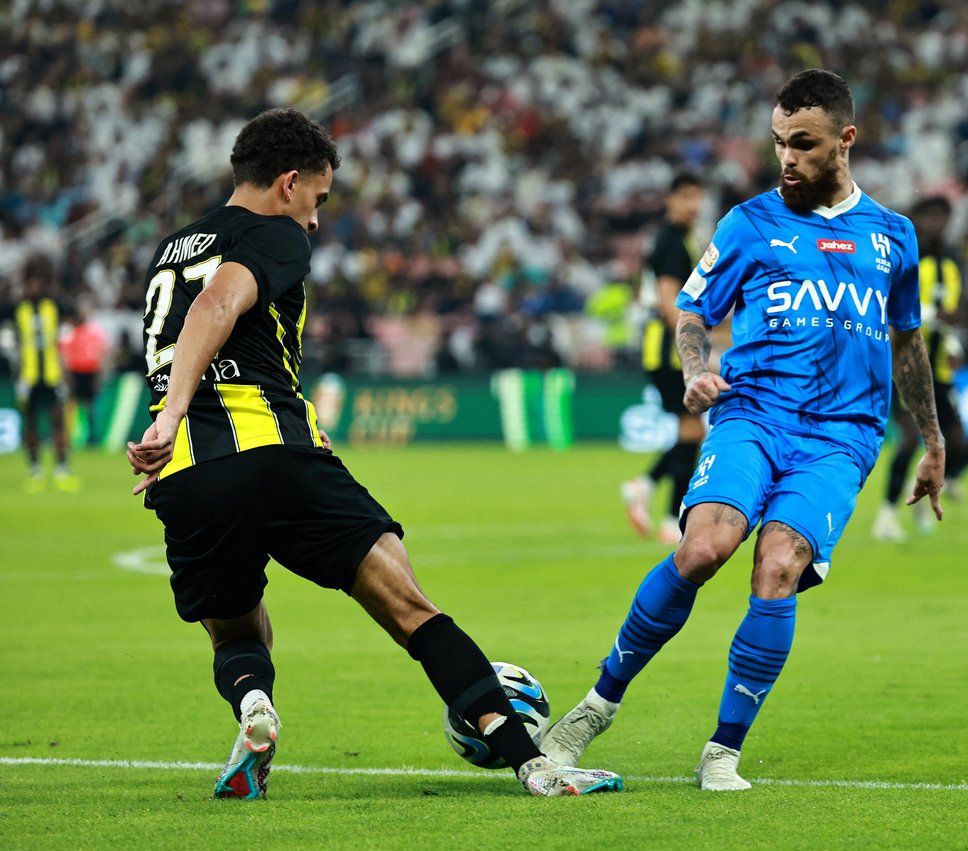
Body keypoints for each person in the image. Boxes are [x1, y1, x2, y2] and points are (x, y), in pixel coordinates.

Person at [126, 108, 621, 800]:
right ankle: (533, 762)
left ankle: (254, 709)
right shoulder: (275, 234)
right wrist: (178, 408)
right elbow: (216, 306)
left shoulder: (171, 246)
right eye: (318, 200)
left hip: (184, 476)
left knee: (237, 628)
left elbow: (178, 331)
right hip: (274, 453)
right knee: (413, 610)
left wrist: (169, 419)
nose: (317, 221)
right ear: (289, 182)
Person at [540, 70, 944, 791]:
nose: (787, 158)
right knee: (703, 548)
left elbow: (908, 343)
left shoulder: (894, 236)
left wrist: (934, 441)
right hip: (754, 413)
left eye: (804, 144)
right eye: (779, 143)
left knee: (779, 563)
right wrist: (695, 368)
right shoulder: (748, 224)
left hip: (841, 434)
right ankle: (596, 706)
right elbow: (691, 313)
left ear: (846, 140)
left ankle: (722, 749)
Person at [873, 195, 968, 541]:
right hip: (905, 366)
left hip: (940, 371)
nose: (936, 224)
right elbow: (878, 303)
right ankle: (887, 514)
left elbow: (959, 312)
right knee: (906, 440)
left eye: (942, 217)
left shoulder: (953, 264)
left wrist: (954, 339)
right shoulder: (901, 258)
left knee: (960, 444)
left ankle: (923, 491)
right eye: (929, 217)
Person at [621, 173, 707, 544]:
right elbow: (669, 300)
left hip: (666, 348)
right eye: (686, 197)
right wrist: (694, 347)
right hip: (668, 349)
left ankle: (649, 489)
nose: (694, 205)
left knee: (691, 431)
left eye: (697, 197)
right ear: (671, 199)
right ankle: (670, 517)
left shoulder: (679, 239)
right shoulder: (671, 242)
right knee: (692, 430)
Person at [5, 256, 79, 492]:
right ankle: (35, 470)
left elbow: (75, 316)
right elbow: (10, 337)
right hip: (27, 376)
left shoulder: (55, 304)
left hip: (53, 374)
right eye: (31, 281)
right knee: (31, 424)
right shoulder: (16, 307)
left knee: (59, 421)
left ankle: (62, 469)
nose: (34, 286)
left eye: (39, 280)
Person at [61, 296, 109, 446]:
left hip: (90, 373)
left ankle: (91, 437)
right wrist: (67, 377)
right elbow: (64, 356)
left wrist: (99, 375)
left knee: (90, 407)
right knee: (71, 406)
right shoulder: (69, 332)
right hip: (75, 373)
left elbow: (102, 353)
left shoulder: (94, 331)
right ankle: (68, 436)